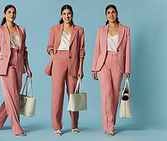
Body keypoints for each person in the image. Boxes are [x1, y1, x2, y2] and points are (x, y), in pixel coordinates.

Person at [0, 4, 32, 136]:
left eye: (14, 12)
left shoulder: (21, 29)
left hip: (19, 63)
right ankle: (16, 127)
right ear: (4, 14)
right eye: (9, 12)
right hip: (6, 64)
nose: (12, 14)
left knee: (14, 96)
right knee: (13, 97)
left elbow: (24, 51)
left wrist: (28, 67)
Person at [46, 4, 85, 136]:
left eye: (69, 13)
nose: (67, 16)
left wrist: (80, 68)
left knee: (73, 94)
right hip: (58, 61)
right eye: (64, 14)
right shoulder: (54, 29)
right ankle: (57, 126)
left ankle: (74, 124)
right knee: (57, 95)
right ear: (61, 15)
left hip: (73, 62)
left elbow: (81, 51)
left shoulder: (79, 30)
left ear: (72, 15)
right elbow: (49, 47)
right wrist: (54, 57)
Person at [92, 4, 131, 136]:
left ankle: (111, 123)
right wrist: (94, 68)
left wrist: (127, 69)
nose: (111, 14)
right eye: (108, 12)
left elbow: (127, 51)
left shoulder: (125, 29)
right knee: (106, 93)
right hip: (103, 63)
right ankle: (109, 125)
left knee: (114, 94)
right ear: (106, 15)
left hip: (118, 63)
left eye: (113, 12)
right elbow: (97, 49)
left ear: (117, 13)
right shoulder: (101, 30)